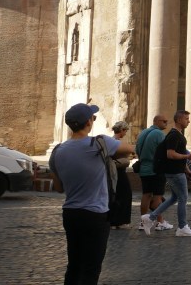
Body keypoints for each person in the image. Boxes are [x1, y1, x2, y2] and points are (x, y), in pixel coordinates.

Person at [49, 102, 133, 285]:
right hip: (96, 214)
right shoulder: (99, 143)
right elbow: (129, 149)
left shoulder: (57, 151)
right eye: (93, 118)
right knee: (91, 268)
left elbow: (59, 188)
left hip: (71, 213)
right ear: (88, 122)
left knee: (74, 265)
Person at [140, 109, 191, 237]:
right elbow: (170, 154)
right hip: (175, 173)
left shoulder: (177, 135)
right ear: (178, 120)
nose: (189, 121)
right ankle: (182, 227)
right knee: (183, 198)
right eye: (186, 119)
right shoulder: (174, 135)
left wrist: (186, 169)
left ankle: (150, 217)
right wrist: (187, 157)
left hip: (176, 171)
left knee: (174, 198)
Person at [136, 114, 172, 232]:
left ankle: (142, 222)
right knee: (157, 197)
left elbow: (137, 150)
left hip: (144, 169)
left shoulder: (143, 133)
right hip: (156, 169)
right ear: (156, 121)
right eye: (164, 121)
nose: (166, 124)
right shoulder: (159, 134)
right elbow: (165, 152)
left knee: (146, 195)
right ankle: (159, 222)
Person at [107, 121, 133, 229]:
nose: (126, 133)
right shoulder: (115, 142)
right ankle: (119, 221)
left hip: (118, 171)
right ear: (121, 130)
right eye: (125, 130)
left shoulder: (112, 141)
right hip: (118, 171)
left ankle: (115, 221)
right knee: (124, 194)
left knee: (118, 194)